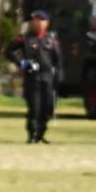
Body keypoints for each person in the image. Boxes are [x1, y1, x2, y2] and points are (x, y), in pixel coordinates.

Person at [11, 9, 63, 144]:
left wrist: (58, 76)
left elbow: (57, 60)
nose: (38, 23)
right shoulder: (25, 38)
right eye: (35, 20)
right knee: (34, 107)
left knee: (47, 107)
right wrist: (22, 64)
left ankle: (41, 133)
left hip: (47, 77)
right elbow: (9, 51)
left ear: (47, 23)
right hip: (32, 77)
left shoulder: (51, 39)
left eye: (41, 20)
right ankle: (32, 134)